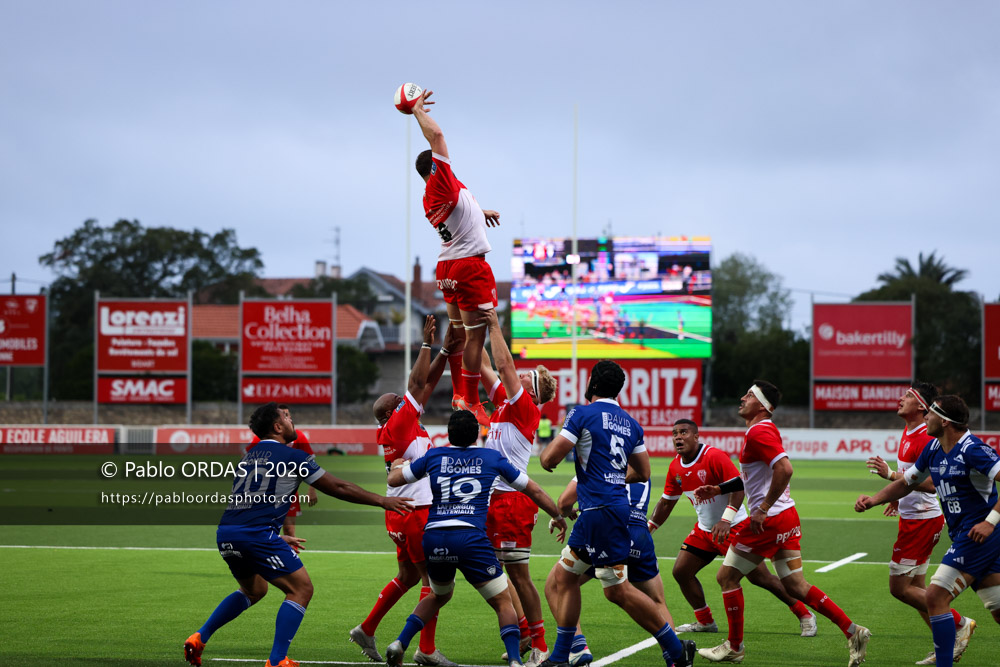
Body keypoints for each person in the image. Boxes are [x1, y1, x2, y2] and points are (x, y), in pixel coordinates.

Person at [183, 402, 413, 667]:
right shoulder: (293, 457)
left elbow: (247, 504)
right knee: (301, 589)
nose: (293, 421)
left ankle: (200, 637)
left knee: (254, 589)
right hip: (255, 536)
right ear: (278, 427)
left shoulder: (248, 457)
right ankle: (278, 660)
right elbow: (338, 486)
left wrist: (274, 536)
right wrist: (382, 501)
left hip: (227, 534)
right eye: (287, 417)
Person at [694, 381, 870, 666]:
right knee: (796, 586)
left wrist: (762, 508)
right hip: (786, 517)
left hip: (770, 521)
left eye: (749, 395)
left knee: (726, 577)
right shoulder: (762, 430)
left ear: (763, 406)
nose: (742, 398)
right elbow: (755, 478)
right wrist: (719, 489)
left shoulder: (759, 431)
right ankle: (853, 631)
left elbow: (785, 468)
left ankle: (735, 647)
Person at [538, 360, 696, 667]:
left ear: (593, 385)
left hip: (599, 511)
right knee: (563, 578)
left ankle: (676, 649)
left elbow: (547, 459)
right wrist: (611, 476)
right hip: (607, 511)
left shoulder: (582, 414)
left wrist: (582, 473)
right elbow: (644, 472)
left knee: (618, 591)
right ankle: (561, 656)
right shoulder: (630, 423)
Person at [383, 410, 568, 667]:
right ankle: (515, 660)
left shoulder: (434, 456)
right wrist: (557, 515)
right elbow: (532, 489)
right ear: (477, 435)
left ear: (448, 433)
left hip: (435, 537)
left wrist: (397, 465)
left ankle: (400, 643)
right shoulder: (491, 457)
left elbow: (394, 479)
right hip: (470, 538)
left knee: (438, 595)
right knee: (503, 601)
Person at [855, 395, 1000, 667]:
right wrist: (874, 500)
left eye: (930, 414)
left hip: (979, 537)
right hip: (968, 536)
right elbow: (908, 482)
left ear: (944, 421)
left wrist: (990, 521)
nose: (926, 418)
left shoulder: (973, 449)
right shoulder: (934, 448)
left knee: (934, 596)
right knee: (999, 610)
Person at [350, 316, 458, 667]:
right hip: (414, 512)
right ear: (391, 411)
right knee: (435, 582)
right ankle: (426, 650)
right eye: (400, 400)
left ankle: (366, 629)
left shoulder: (402, 423)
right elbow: (417, 381)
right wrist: (426, 344)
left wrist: (444, 350)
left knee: (408, 576)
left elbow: (423, 385)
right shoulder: (399, 423)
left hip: (400, 512)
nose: (408, 398)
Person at [647, 419, 817, 637]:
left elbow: (739, 487)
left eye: (683, 432)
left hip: (734, 527)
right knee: (681, 571)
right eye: (675, 434)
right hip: (705, 531)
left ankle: (804, 614)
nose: (678, 437)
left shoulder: (714, 456)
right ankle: (705, 621)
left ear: (696, 436)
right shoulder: (675, 467)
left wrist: (726, 519)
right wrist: (649, 528)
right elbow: (666, 502)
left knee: (761, 578)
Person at [411, 88, 500, 427]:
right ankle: (471, 400)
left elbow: (459, 210)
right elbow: (437, 134)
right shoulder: (441, 181)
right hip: (468, 266)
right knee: (478, 336)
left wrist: (480, 212)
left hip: (447, 266)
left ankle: (460, 393)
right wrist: (416, 109)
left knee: (460, 336)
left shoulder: (431, 195)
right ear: (434, 166)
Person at [478, 308, 558, 666]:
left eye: (531, 376)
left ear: (534, 392)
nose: (522, 374)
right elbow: (484, 366)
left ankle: (540, 643)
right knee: (492, 572)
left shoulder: (526, 407)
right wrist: (468, 324)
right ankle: (525, 632)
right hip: (490, 500)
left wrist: (494, 323)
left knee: (519, 576)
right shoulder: (504, 406)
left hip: (511, 502)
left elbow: (505, 366)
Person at [544, 474, 675, 666]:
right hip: (639, 533)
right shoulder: (636, 461)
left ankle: (577, 647)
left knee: (556, 585)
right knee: (656, 600)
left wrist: (561, 514)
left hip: (605, 529)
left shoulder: (598, 458)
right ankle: (675, 657)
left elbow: (565, 501)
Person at [246, 405, 317, 541]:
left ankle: (289, 559)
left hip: (289, 492)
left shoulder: (299, 437)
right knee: (264, 530)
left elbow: (311, 465)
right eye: (284, 416)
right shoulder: (261, 440)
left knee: (289, 530)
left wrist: (312, 489)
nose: (289, 418)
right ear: (276, 425)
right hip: (265, 492)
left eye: (288, 415)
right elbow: (247, 460)